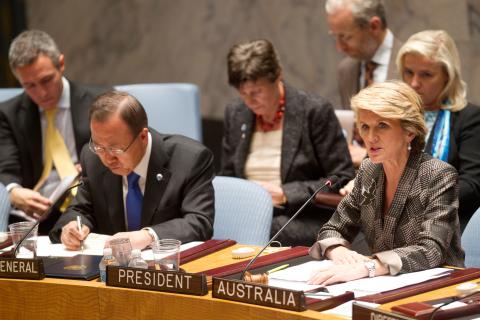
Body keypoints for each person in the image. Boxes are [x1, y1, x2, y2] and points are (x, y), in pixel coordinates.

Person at [308, 81, 464, 285]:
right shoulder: (368, 171)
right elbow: (334, 228)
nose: (371, 137)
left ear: (409, 132)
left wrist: (368, 267)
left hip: (439, 289)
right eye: (364, 126)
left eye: (382, 125)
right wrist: (336, 250)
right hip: (383, 285)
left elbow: (431, 251)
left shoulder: (438, 175)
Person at [220, 39, 355, 246]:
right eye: (243, 93)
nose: (249, 101)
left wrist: (286, 194)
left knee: (267, 231)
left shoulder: (313, 110)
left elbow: (341, 178)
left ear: (278, 76)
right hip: (247, 214)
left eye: (256, 92)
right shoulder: (236, 113)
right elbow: (228, 176)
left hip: (301, 215)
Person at [49, 91, 215, 250]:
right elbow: (80, 209)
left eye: (116, 149)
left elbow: (199, 221)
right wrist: (73, 226)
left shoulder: (190, 159)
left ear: (143, 137)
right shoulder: (92, 158)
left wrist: (148, 236)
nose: (107, 158)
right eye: (99, 146)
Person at [0, 30, 109, 232]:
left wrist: (93, 162)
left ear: (61, 64)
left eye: (46, 80)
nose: (41, 93)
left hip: (88, 207)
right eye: (29, 85)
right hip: (33, 216)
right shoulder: (8, 114)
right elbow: (7, 168)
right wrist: (13, 191)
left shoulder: (101, 102)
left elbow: (120, 150)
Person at [396, 30, 480, 231]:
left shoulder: (469, 117)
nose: (414, 83)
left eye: (426, 74)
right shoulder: (394, 114)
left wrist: (420, 197)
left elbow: (473, 185)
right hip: (390, 223)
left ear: (447, 76)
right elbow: (371, 164)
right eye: (408, 72)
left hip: (447, 225)